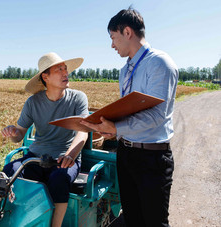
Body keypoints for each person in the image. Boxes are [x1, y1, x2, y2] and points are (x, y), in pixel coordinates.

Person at [80, 7, 178, 227]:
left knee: (154, 222)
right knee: (132, 218)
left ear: (127, 32)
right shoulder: (126, 70)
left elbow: (156, 116)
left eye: (113, 38)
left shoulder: (160, 63)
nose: (112, 45)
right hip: (126, 153)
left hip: (152, 157)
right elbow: (129, 110)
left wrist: (116, 128)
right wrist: (107, 125)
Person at [1, 52, 89, 227]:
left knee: (59, 179)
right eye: (59, 70)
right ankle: (17, 220)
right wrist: (12, 133)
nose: (66, 73)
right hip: (36, 157)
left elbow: (83, 131)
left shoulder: (78, 98)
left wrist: (70, 155)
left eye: (66, 69)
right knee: (9, 170)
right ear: (45, 77)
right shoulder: (33, 102)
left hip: (64, 159)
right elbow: (19, 134)